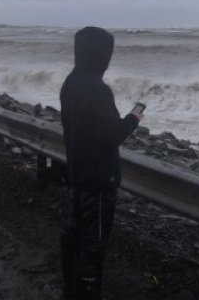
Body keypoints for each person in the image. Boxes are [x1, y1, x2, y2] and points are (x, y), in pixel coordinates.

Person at [59, 26, 142, 300]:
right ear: (101, 56)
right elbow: (111, 137)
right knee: (93, 248)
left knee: (72, 239)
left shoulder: (70, 83)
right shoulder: (98, 90)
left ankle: (69, 291)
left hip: (77, 175)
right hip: (98, 182)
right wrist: (134, 119)